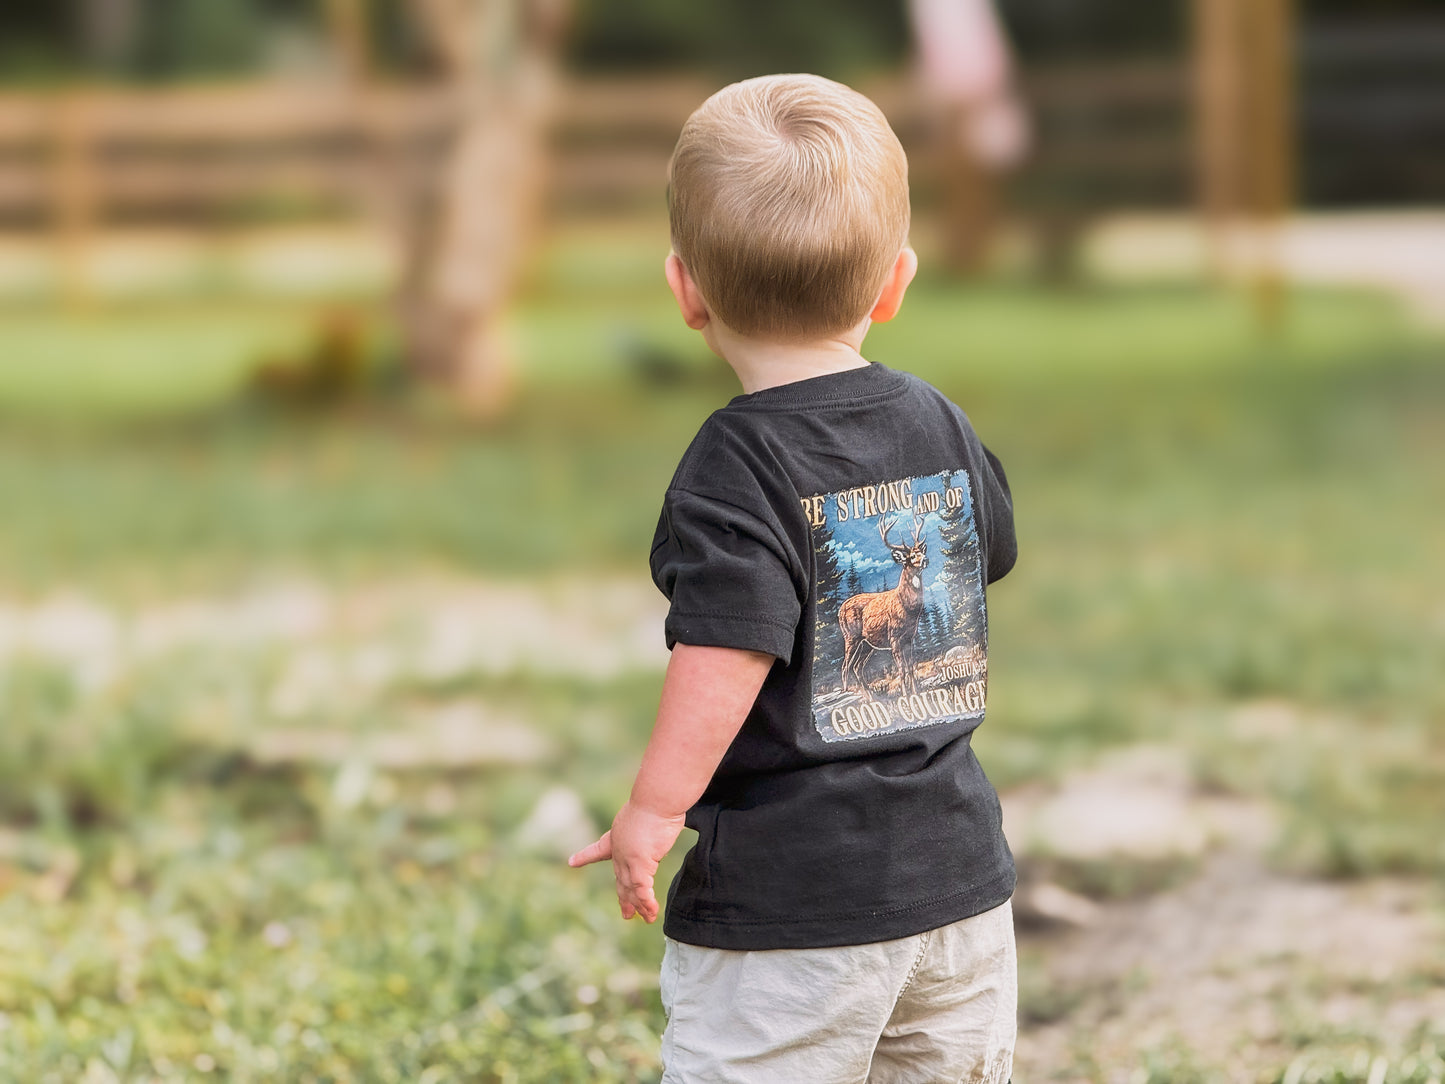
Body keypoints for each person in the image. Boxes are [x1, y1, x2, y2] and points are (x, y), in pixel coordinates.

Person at [569, 73, 1019, 1084]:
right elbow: (985, 552)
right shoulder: (938, 420)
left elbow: (727, 645)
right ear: (892, 283)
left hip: (788, 915)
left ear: (684, 291)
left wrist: (652, 806)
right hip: (956, 891)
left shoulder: (733, 464)